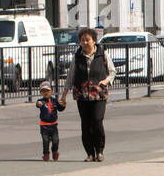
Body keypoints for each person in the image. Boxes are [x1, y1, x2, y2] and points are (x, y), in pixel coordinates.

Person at [58, 27, 115, 162]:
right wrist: (64, 95)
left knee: (97, 120)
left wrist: (105, 81)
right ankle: (90, 153)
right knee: (85, 124)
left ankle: (99, 151)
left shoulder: (102, 54)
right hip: (82, 95)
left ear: (94, 41)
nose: (85, 43)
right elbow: (70, 76)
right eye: (82, 40)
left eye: (87, 40)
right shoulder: (77, 57)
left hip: (98, 94)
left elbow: (112, 72)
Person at [36, 81, 65, 161]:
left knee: (56, 140)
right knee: (45, 141)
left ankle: (54, 151)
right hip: (44, 126)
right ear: (41, 93)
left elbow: (60, 109)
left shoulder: (55, 101)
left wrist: (63, 105)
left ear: (51, 91)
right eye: (43, 91)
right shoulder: (41, 101)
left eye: (47, 91)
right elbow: (38, 104)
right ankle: (46, 154)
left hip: (53, 125)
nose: (46, 93)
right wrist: (38, 104)